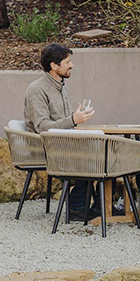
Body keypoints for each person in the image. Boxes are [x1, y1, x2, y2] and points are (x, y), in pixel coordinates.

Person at [24, 43, 95, 219]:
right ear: (54, 66)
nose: (72, 65)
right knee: (94, 156)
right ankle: (77, 208)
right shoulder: (37, 89)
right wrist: (72, 120)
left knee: (101, 151)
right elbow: (42, 127)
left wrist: (76, 120)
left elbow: (63, 124)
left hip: (65, 143)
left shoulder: (62, 87)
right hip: (48, 148)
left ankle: (100, 207)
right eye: (67, 62)